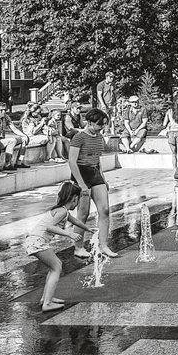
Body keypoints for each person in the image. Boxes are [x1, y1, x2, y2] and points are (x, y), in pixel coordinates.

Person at [25, 181, 93, 313]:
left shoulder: (63, 211)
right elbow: (49, 227)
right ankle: (47, 303)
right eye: (78, 200)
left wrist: (88, 229)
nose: (78, 203)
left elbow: (76, 221)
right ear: (74, 199)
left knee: (54, 267)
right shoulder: (62, 212)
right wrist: (70, 234)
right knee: (56, 267)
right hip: (37, 242)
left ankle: (46, 298)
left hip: (34, 241)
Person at [66, 109, 117, 258]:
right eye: (99, 124)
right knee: (83, 213)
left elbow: (97, 158)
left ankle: (104, 245)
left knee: (105, 210)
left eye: (104, 124)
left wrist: (103, 179)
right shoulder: (79, 137)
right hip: (81, 173)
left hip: (95, 173)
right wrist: (81, 184)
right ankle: (78, 247)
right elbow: (72, 162)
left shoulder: (99, 136)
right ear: (89, 122)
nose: (102, 127)